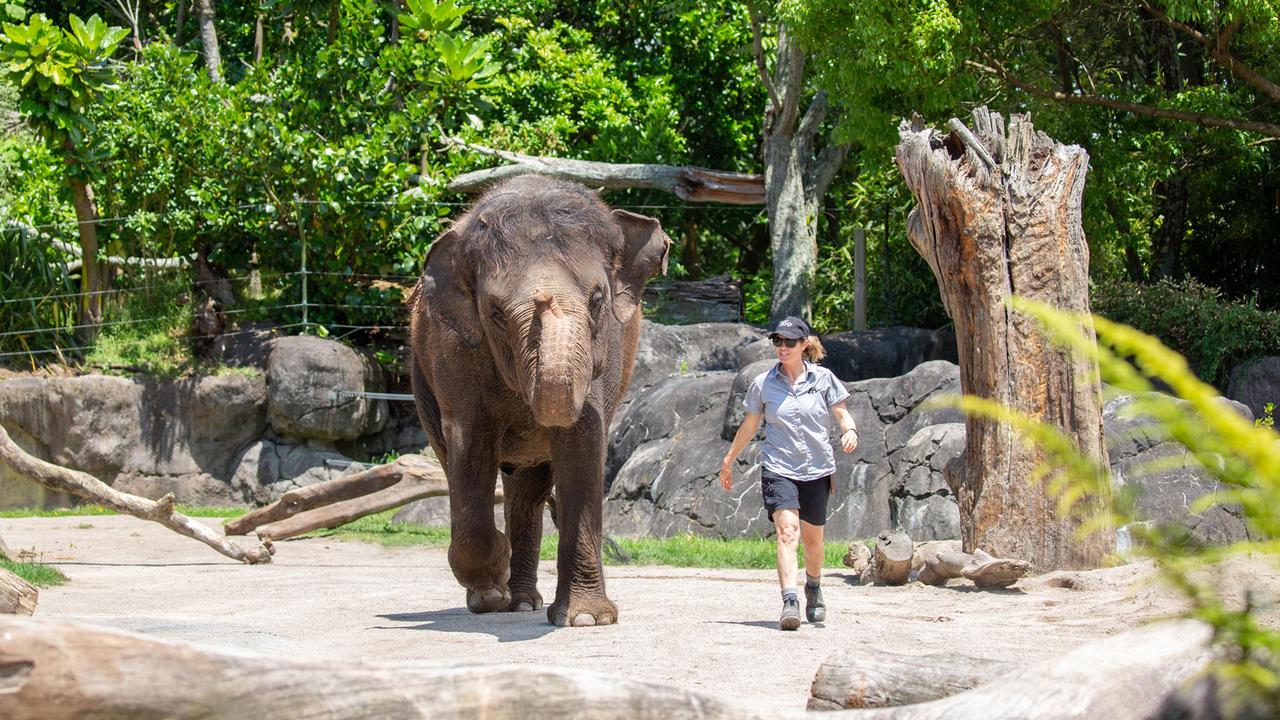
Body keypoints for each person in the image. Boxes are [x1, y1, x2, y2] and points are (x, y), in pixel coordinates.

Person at [720, 316, 858, 631]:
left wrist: (849, 431)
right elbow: (750, 425)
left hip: (818, 469)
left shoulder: (823, 379)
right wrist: (729, 460)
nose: (782, 347)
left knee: (813, 543)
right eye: (778, 342)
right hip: (779, 467)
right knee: (787, 532)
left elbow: (842, 413)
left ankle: (813, 587)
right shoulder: (763, 383)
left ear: (804, 345)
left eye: (789, 342)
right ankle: (790, 600)